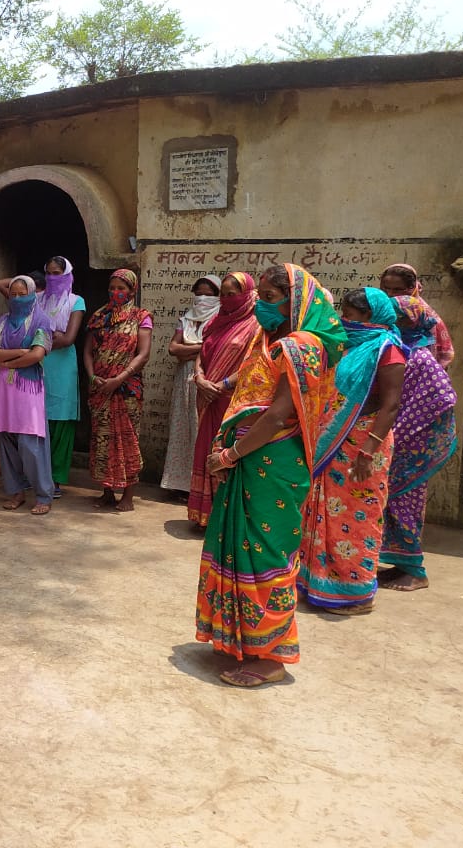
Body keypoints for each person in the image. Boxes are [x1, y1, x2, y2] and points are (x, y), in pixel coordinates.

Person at [196, 263, 347, 687]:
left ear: (294, 301)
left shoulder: (303, 347)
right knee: (238, 547)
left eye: (269, 298)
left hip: (274, 462)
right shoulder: (270, 341)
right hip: (251, 460)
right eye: (259, 296)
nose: (260, 305)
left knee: (266, 553)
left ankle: (271, 656)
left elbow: (279, 415)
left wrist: (230, 454)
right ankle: (242, 638)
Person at [299, 286, 406, 614]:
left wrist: (368, 451)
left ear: (370, 316)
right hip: (335, 439)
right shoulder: (350, 344)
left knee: (357, 516)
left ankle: (356, 595)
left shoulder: (388, 350)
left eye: (350, 315)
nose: (344, 320)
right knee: (326, 511)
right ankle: (320, 582)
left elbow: (390, 405)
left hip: (365, 442)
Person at [379, 295, 459, 591]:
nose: (393, 322)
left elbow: (441, 399)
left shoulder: (422, 357)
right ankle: (400, 565)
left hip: (413, 448)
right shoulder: (399, 350)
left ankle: (415, 572)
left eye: (399, 318)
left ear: (413, 322)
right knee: (391, 505)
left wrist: (401, 431)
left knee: (405, 506)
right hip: (397, 441)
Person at [187, 273, 260, 528]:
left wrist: (223, 384)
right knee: (205, 451)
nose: (227, 299)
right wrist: (199, 377)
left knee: (225, 455)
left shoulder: (256, 326)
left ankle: (222, 518)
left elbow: (254, 364)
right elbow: (202, 353)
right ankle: (203, 515)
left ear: (247, 295)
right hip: (207, 396)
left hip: (232, 403)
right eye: (224, 295)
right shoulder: (215, 322)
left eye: (233, 294)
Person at [82, 269, 153, 512]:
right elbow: (88, 351)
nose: (116, 292)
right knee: (102, 441)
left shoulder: (141, 317)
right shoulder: (99, 316)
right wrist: (92, 376)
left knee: (127, 441)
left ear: (132, 290)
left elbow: (143, 354)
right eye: (112, 288)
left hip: (126, 389)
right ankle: (107, 492)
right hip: (100, 387)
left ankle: (128, 496)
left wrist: (119, 378)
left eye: (121, 288)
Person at [0, 276, 54, 514]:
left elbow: (37, 354)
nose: (17, 299)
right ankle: (16, 491)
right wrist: (19, 352)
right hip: (5, 389)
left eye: (22, 294)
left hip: (28, 387)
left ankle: (43, 494)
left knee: (30, 442)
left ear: (32, 294)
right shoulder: (3, 321)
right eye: (13, 294)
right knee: (5, 439)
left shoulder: (42, 320)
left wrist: (9, 362)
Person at [159, 276, 221, 497]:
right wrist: (202, 348)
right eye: (199, 294)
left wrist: (190, 350)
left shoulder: (220, 319)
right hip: (184, 380)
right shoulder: (186, 319)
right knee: (182, 429)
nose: (202, 298)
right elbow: (173, 349)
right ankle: (180, 484)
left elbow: (216, 350)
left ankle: (202, 487)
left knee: (202, 429)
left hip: (206, 378)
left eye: (208, 295)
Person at [36, 257, 88, 496]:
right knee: (39, 421)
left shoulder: (76, 301)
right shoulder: (38, 299)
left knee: (61, 422)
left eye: (57, 273)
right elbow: (6, 287)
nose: (52, 278)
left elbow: (68, 338)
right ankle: (38, 475)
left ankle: (56, 479)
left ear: (67, 274)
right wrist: (50, 337)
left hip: (63, 367)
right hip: (39, 364)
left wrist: (42, 341)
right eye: (48, 273)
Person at [380, 263, 454, 369]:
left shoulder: (425, 317)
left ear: (412, 288)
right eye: (386, 288)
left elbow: (440, 357)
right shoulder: (377, 311)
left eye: (397, 289)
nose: (390, 294)